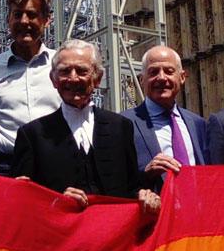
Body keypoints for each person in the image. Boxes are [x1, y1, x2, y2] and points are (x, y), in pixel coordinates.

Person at [12, 39, 159, 213]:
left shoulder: (120, 127)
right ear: (54, 80)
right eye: (65, 71)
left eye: (82, 71)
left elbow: (131, 187)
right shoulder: (31, 135)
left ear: (97, 78)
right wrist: (55, 200)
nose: (73, 78)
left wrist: (145, 195)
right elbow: (21, 200)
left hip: (112, 234)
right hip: (60, 234)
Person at [0, 0, 61, 175]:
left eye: (32, 14)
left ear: (47, 20)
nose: (24, 21)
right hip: (3, 167)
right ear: (8, 20)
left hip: (54, 164)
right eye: (17, 14)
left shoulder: (60, 65)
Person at [121, 45, 207, 191]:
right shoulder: (123, 124)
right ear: (142, 80)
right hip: (155, 211)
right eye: (153, 72)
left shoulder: (199, 124)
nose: (161, 78)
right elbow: (114, 182)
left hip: (196, 209)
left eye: (169, 71)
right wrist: (146, 175)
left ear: (181, 77)